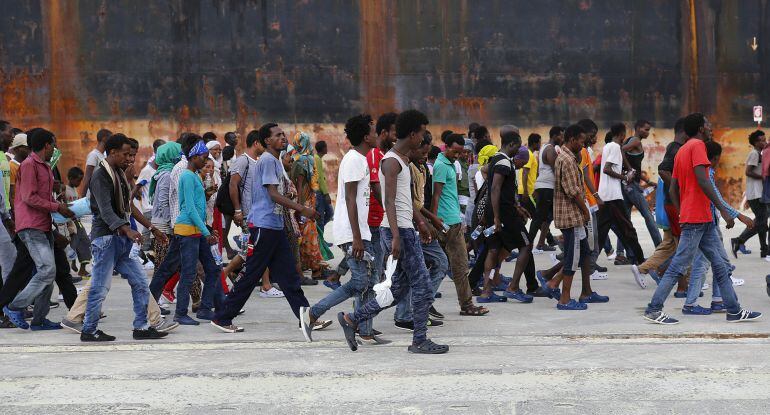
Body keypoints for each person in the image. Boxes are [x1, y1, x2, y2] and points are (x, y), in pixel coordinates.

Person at [337, 110, 449, 354]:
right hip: (398, 231)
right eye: (421, 133)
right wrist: (397, 235)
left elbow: (404, 201)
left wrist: (421, 222)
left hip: (405, 229)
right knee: (422, 286)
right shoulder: (391, 161)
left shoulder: (401, 159)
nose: (423, 138)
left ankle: (352, 320)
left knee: (398, 289)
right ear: (412, 134)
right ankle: (419, 340)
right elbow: (388, 202)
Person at [643, 113, 761, 325]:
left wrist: (681, 212)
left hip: (700, 219)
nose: (709, 128)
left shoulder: (681, 151)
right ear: (700, 128)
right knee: (678, 266)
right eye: (707, 125)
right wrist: (723, 211)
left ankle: (733, 310)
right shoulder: (697, 146)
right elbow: (704, 181)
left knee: (720, 266)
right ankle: (653, 309)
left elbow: (672, 188)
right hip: (697, 218)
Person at [212, 123, 317, 337]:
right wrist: (302, 209)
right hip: (264, 226)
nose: (283, 138)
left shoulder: (275, 161)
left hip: (274, 226)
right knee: (251, 274)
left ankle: (306, 316)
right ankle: (223, 317)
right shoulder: (268, 160)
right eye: (278, 135)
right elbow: (273, 194)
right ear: (267, 141)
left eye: (283, 135)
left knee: (289, 277)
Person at [302, 114, 386, 344]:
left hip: (360, 231)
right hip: (352, 233)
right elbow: (349, 199)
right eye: (373, 130)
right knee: (360, 282)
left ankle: (365, 330)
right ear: (365, 136)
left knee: (369, 281)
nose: (376, 134)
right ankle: (313, 313)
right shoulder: (353, 160)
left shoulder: (361, 158)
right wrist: (357, 238)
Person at [79, 133, 169, 341]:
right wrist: (127, 229)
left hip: (121, 240)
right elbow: (106, 210)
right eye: (126, 155)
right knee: (100, 288)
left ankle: (141, 327)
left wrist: (151, 228)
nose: (130, 159)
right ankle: (89, 330)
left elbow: (127, 206)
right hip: (105, 239)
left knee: (139, 282)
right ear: (112, 152)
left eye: (132, 155)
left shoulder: (118, 173)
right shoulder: (101, 175)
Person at [3, 128, 75, 330]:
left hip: (43, 224)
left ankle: (39, 319)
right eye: (53, 145)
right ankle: (15, 306)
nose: (55, 149)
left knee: (48, 273)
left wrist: (59, 209)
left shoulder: (44, 166)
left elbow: (42, 197)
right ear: (46, 145)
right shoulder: (28, 165)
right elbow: (29, 197)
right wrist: (56, 207)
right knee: (47, 270)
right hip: (31, 226)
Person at [682, 141, 753, 315]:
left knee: (717, 264)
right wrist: (739, 215)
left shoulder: (703, 172)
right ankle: (692, 304)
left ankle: (717, 300)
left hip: (708, 223)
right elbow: (717, 200)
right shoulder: (707, 173)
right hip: (706, 224)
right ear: (715, 158)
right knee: (704, 264)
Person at [541, 125, 608, 309]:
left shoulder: (567, 157)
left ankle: (569, 287)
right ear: (571, 139)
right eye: (580, 140)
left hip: (573, 215)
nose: (583, 143)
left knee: (584, 252)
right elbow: (573, 191)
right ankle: (564, 298)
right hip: (571, 216)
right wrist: (586, 211)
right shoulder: (568, 160)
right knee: (573, 256)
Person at [431, 133, 487, 316]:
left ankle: (465, 304)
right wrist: (434, 221)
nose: (457, 156)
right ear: (446, 146)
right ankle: (465, 305)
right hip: (445, 223)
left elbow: (451, 195)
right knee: (454, 266)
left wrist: (459, 218)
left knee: (455, 266)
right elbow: (436, 195)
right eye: (455, 151)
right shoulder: (440, 166)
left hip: (453, 220)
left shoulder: (450, 164)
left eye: (460, 152)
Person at [171, 136, 224, 325]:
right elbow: (191, 209)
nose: (205, 160)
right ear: (193, 157)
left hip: (198, 230)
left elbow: (200, 207)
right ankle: (180, 313)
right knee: (188, 273)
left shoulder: (194, 176)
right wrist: (207, 232)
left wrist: (207, 230)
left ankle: (204, 308)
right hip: (187, 230)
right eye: (203, 157)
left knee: (213, 269)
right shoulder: (186, 176)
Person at [478, 132, 534, 303]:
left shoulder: (495, 158)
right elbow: (495, 189)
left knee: (494, 249)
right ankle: (513, 287)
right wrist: (497, 217)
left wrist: (516, 207)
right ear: (511, 144)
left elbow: (493, 182)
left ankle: (486, 292)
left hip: (498, 212)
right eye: (517, 146)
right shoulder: (504, 162)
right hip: (504, 215)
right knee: (525, 245)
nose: (518, 150)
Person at [634, 119, 689, 292]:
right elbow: (664, 170)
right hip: (675, 205)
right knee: (683, 246)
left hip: (672, 205)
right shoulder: (676, 148)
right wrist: (679, 190)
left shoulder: (676, 148)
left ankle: (646, 268)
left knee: (670, 245)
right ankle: (682, 285)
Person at [595, 123, 646, 284]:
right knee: (629, 231)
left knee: (601, 234)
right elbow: (607, 169)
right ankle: (642, 263)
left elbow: (610, 166)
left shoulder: (608, 146)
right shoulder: (616, 148)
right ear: (623, 134)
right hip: (612, 197)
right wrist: (625, 178)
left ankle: (587, 264)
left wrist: (626, 170)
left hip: (606, 195)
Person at [367, 112, 398, 283]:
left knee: (380, 265)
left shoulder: (387, 155)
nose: (396, 137)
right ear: (384, 133)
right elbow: (374, 184)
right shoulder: (374, 154)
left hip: (382, 218)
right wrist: (388, 209)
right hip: (375, 218)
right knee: (375, 266)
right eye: (395, 133)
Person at [731, 130, 767, 258]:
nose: (765, 142)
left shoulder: (760, 153)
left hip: (759, 193)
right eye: (762, 140)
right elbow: (748, 171)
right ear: (756, 143)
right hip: (755, 194)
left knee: (761, 221)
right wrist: (762, 177)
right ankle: (739, 240)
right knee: (762, 223)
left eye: (765, 139)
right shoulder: (754, 154)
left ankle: (764, 249)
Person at [529, 126, 564, 251]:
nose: (562, 138)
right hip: (547, 188)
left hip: (545, 187)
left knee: (546, 217)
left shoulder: (545, 147)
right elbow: (557, 170)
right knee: (539, 217)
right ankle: (528, 244)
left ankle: (541, 243)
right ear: (554, 136)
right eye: (561, 135)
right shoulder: (550, 149)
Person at [81, 128, 111, 197]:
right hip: (92, 197)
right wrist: (82, 198)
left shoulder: (104, 156)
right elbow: (87, 178)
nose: (112, 142)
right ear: (104, 139)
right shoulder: (93, 155)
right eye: (110, 139)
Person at [314, 140, 334, 230]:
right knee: (321, 218)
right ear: (323, 148)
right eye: (326, 146)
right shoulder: (317, 158)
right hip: (319, 192)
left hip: (321, 192)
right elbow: (320, 178)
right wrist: (326, 194)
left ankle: (319, 234)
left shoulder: (318, 158)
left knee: (330, 213)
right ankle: (321, 241)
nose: (327, 148)